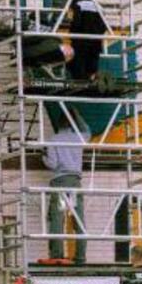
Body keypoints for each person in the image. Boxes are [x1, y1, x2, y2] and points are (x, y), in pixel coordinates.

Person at [42, 103, 86, 264]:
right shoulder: (79, 137)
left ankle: (57, 255)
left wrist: (43, 157)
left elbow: (52, 164)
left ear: (58, 124)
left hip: (60, 182)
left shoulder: (53, 140)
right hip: (75, 182)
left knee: (58, 218)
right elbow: (87, 130)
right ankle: (80, 256)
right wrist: (76, 113)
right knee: (78, 218)